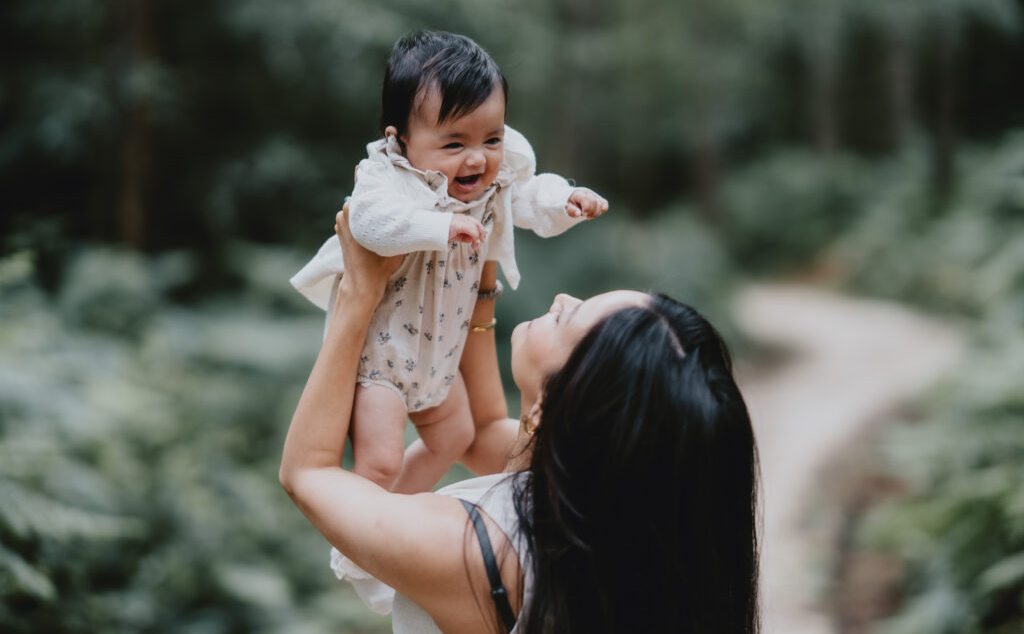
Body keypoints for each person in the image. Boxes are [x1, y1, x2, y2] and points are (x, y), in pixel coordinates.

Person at [279, 204, 761, 633]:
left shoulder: (472, 553)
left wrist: (359, 293)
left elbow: (308, 473)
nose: (561, 300)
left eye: (568, 320)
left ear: (548, 407)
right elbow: (484, 429)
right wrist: (480, 258)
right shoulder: (623, 516)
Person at [290, 31, 608, 494]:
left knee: (456, 436)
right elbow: (369, 222)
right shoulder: (389, 177)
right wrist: (438, 228)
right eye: (454, 144)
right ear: (399, 139)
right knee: (380, 461)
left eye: (492, 138)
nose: (478, 158)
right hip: (382, 354)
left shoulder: (490, 182)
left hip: (439, 352)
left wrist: (567, 200)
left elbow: (528, 193)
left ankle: (396, 516)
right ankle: (359, 544)